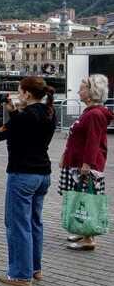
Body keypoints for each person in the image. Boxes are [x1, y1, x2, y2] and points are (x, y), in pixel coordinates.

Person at [0, 77, 56, 286]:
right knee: (35, 222)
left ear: (27, 93)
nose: (18, 95)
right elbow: (27, 126)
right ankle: (34, 268)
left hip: (22, 174)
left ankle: (20, 274)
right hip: (42, 174)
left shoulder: (23, 117)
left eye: (19, 91)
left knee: (17, 225)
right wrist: (14, 112)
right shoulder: (49, 113)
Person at [59, 74, 114, 251]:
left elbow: (93, 142)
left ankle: (89, 238)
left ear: (92, 92)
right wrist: (65, 155)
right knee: (79, 198)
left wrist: (87, 164)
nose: (78, 91)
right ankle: (83, 231)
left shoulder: (95, 114)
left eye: (82, 88)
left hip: (86, 166)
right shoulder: (89, 112)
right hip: (77, 162)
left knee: (87, 199)